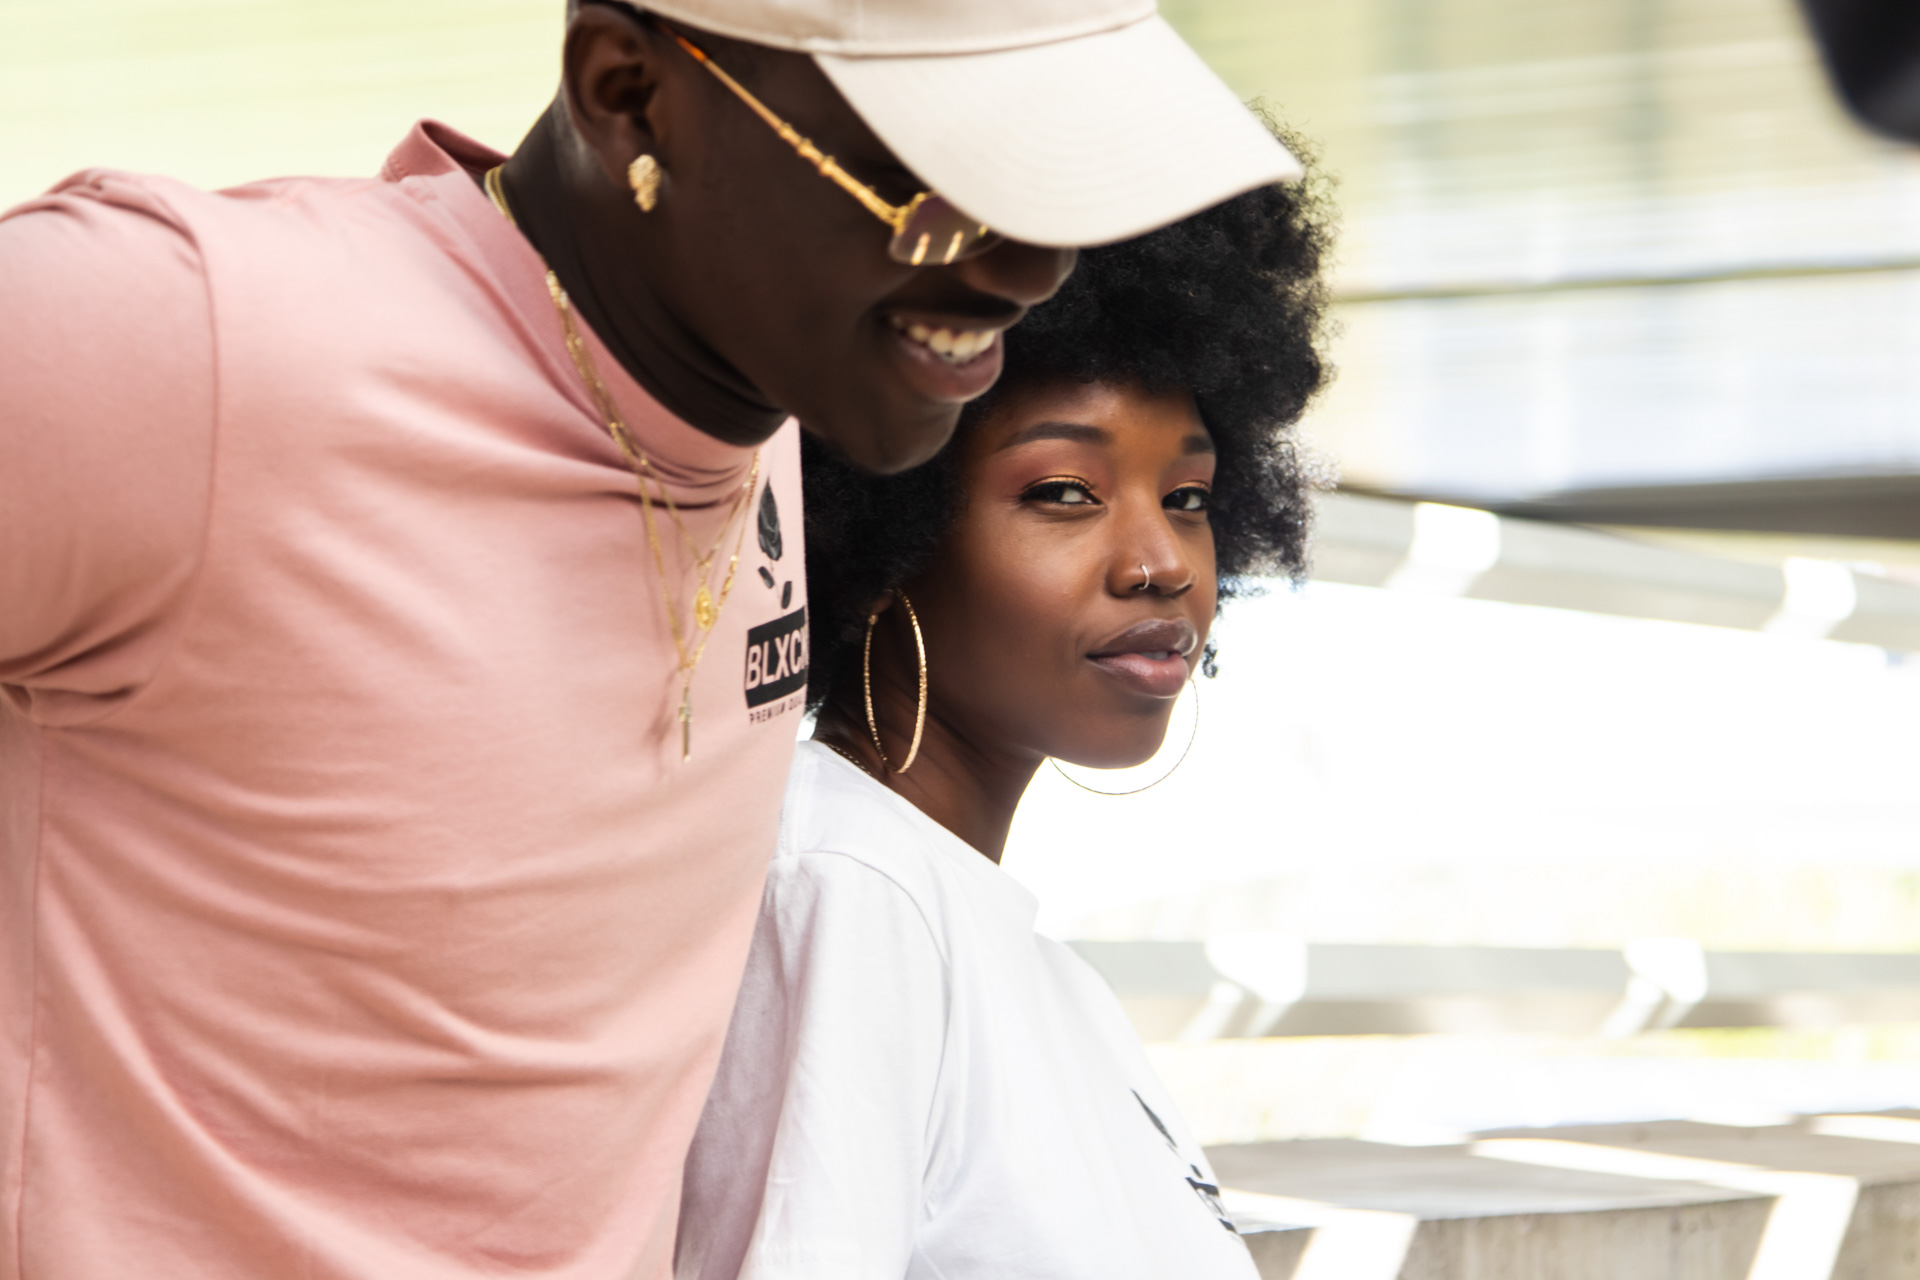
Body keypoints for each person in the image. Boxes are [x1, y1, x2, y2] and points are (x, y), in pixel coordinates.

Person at [0, 1, 1301, 1276]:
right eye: (933, 182)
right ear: (629, 91)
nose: (1023, 271)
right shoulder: (183, 338)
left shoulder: (773, 419)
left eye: (1054, 185)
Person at [676, 155, 1329, 1279]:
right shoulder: (848, 888)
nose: (1163, 561)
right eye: (1064, 493)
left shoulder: (1034, 971)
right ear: (880, 529)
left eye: (1188, 497)